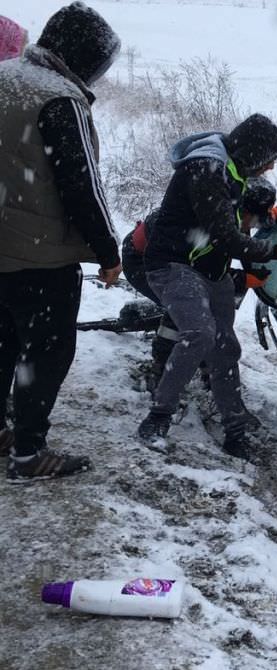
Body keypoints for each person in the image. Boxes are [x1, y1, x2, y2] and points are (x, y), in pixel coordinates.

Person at [137, 114, 277, 459]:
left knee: (224, 346)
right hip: (174, 264)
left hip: (209, 266)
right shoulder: (207, 170)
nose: (270, 168)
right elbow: (226, 236)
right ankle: (159, 415)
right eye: (269, 160)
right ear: (253, 153)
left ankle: (234, 427)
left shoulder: (231, 169)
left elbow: (233, 218)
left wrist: (266, 217)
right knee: (200, 332)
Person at [0, 2, 122, 481]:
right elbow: (82, 186)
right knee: (46, 354)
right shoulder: (59, 99)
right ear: (84, 56)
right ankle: (28, 454)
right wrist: (109, 253)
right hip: (40, 256)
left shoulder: (5, 76)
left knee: (3, 344)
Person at [122, 176, 277, 395]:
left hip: (181, 261)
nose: (250, 227)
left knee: (208, 307)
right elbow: (199, 272)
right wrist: (243, 280)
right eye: (252, 221)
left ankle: (207, 361)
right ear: (239, 209)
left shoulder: (226, 209)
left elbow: (232, 246)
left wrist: (267, 217)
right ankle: (161, 369)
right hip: (142, 262)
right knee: (187, 306)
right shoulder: (202, 225)